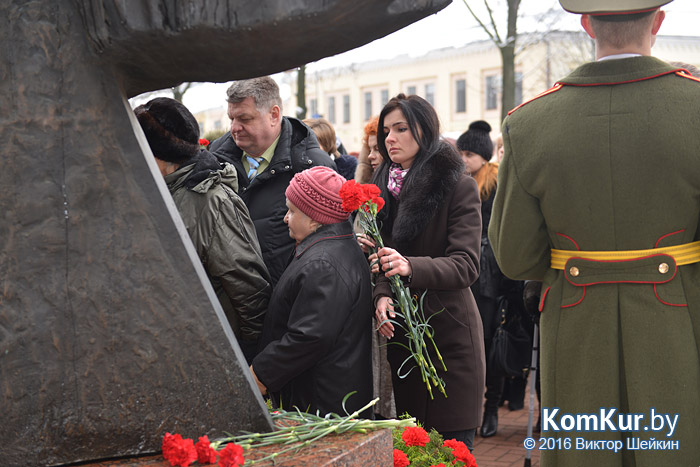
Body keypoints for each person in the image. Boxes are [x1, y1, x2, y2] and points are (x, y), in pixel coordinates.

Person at [489, 1, 700, 465]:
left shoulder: (528, 123)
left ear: (587, 25)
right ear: (658, 22)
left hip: (577, 324)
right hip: (681, 324)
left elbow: (515, 256)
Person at [372, 94, 485, 450]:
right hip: (406, 342)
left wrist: (409, 266)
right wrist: (382, 295)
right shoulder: (381, 189)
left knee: (450, 449)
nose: (390, 138)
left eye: (401, 129)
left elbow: (466, 264)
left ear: (425, 129)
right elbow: (382, 258)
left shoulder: (457, 185)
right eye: (386, 130)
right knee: (415, 449)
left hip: (448, 340)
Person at [134, 97, 271, 363]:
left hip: (211, 352)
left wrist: (250, 359)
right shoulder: (159, 191)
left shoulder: (212, 202)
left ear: (161, 153)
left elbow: (249, 287)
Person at [250, 166, 373, 417]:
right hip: (325, 393)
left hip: (321, 403)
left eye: (292, 211)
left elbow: (309, 337)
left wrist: (260, 375)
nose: (286, 218)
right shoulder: (332, 247)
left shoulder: (323, 263)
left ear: (315, 218)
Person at [210, 77, 336, 287]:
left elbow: (330, 253)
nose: (234, 128)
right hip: (226, 301)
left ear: (274, 115)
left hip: (281, 302)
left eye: (244, 118)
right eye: (231, 118)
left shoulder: (313, 168)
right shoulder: (215, 158)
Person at [457, 121, 528, 438]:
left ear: (484, 156)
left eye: (469, 153)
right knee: (470, 349)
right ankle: (473, 411)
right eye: (461, 152)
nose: (463, 158)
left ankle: (490, 411)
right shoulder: (459, 181)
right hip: (466, 275)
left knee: (489, 348)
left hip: (491, 280)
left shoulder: (495, 184)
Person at [352, 115, 396, 420]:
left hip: (394, 294)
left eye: (375, 150)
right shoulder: (366, 194)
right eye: (368, 149)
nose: (370, 156)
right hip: (370, 293)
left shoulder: (394, 194)